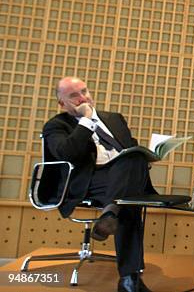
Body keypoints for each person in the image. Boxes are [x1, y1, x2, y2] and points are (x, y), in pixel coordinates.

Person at [43, 77, 156, 292]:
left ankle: (111, 212)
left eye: (84, 91)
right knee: (129, 201)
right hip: (88, 180)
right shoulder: (56, 125)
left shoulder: (114, 119)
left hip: (120, 176)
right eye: (74, 95)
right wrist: (86, 120)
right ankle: (129, 280)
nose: (83, 97)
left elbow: (129, 150)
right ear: (62, 104)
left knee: (133, 158)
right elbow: (67, 153)